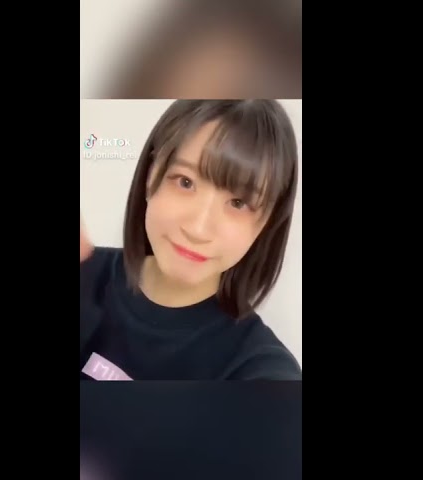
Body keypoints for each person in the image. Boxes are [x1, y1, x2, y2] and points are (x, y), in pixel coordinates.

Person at [80, 100, 301, 380]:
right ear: (151, 174)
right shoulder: (85, 273)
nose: (198, 229)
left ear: (267, 222)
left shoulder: (257, 368)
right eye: (185, 182)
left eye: (238, 203)